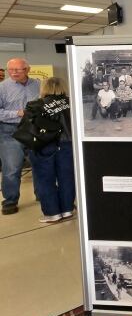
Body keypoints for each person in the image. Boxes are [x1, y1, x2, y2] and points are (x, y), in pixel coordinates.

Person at [26, 77, 76, 223]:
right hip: (67, 145)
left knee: (44, 180)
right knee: (67, 178)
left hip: (43, 146)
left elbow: (27, 129)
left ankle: (52, 213)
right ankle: (67, 210)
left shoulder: (34, 105)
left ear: (44, 88)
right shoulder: (71, 103)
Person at [0, 58, 41, 215]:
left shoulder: (38, 85)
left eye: (18, 69)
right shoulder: (2, 88)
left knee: (39, 164)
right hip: (10, 131)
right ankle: (10, 201)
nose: (14, 72)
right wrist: (17, 113)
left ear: (28, 69)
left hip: (34, 129)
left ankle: (42, 195)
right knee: (12, 168)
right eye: (11, 70)